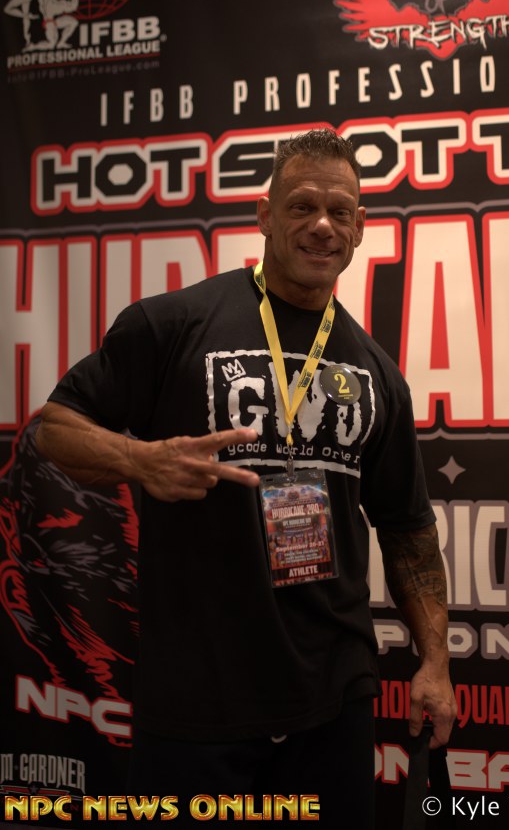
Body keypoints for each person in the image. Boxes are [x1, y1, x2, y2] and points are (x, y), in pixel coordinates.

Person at [36, 129, 456, 827]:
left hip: (334, 699)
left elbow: (408, 528)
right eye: (302, 206)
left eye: (340, 212)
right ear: (264, 215)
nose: (322, 226)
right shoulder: (173, 323)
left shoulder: (377, 371)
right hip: (198, 702)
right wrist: (140, 461)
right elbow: (53, 427)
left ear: (359, 228)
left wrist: (435, 664)